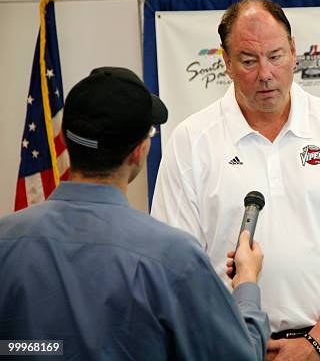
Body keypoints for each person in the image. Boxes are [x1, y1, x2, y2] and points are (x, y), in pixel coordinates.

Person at [152, 0, 320, 360]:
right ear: (225, 62)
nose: (265, 73)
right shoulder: (192, 141)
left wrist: (319, 342)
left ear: (293, 51)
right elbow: (173, 270)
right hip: (231, 347)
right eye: (248, 60)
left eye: (275, 56)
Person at [0, 67, 270, 360]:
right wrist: (246, 282)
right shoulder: (173, 257)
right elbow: (239, 356)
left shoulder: (6, 241)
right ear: (139, 152)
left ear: (64, 139)